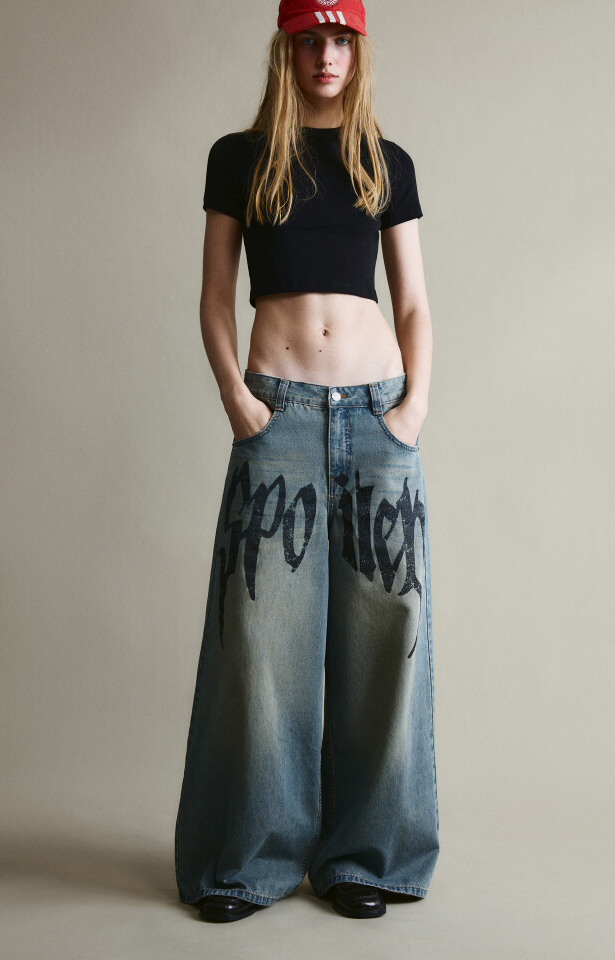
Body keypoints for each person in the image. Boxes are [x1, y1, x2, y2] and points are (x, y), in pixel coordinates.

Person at [175, 0, 439, 922]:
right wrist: (236, 396)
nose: (325, 55)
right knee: (260, 645)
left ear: (357, 52)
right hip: (277, 416)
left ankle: (366, 858)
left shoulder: (385, 163)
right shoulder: (240, 158)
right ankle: (248, 863)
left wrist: (413, 409)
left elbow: (413, 301)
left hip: (376, 418)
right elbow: (215, 297)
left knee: (385, 640)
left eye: (340, 41)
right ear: (285, 49)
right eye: (309, 40)